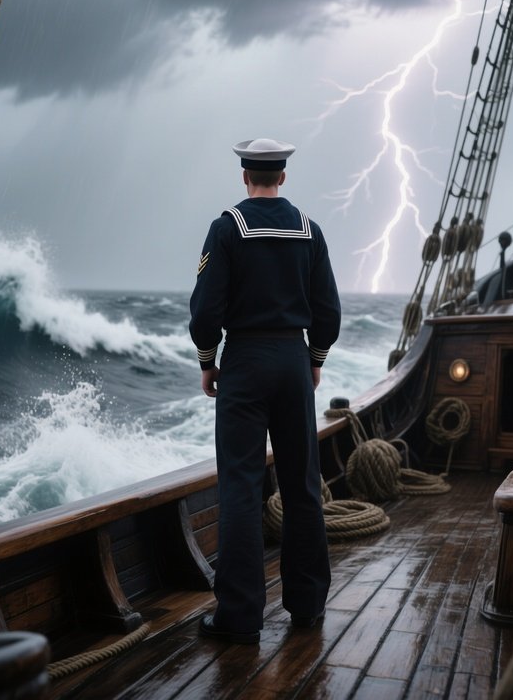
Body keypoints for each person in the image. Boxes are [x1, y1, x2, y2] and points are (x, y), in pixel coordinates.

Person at [189, 137, 342, 645]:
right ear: (282, 176)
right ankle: (307, 607)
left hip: (246, 362)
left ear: (244, 176)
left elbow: (207, 311)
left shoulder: (227, 228)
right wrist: (313, 361)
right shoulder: (309, 231)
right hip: (294, 361)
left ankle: (240, 615)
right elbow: (329, 311)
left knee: (240, 485)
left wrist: (208, 362)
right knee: (301, 485)